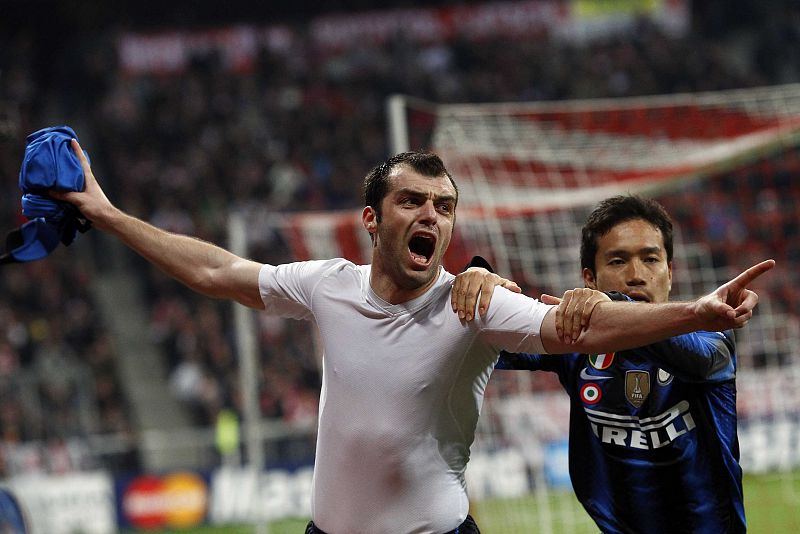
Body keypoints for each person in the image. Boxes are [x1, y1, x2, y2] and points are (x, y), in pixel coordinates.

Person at [53, 141, 771, 534]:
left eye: (445, 206)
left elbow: (568, 325)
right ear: (374, 219)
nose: (432, 214)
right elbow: (216, 270)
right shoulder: (326, 283)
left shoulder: (474, 310)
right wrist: (108, 215)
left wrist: (698, 312)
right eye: (413, 201)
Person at [454, 195, 754, 533]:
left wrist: (612, 304)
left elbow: (692, 353)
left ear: (669, 273)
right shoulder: (573, 342)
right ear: (589, 279)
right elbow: (478, 337)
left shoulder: (710, 336)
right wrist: (479, 276)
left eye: (651, 259)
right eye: (617, 261)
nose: (636, 275)